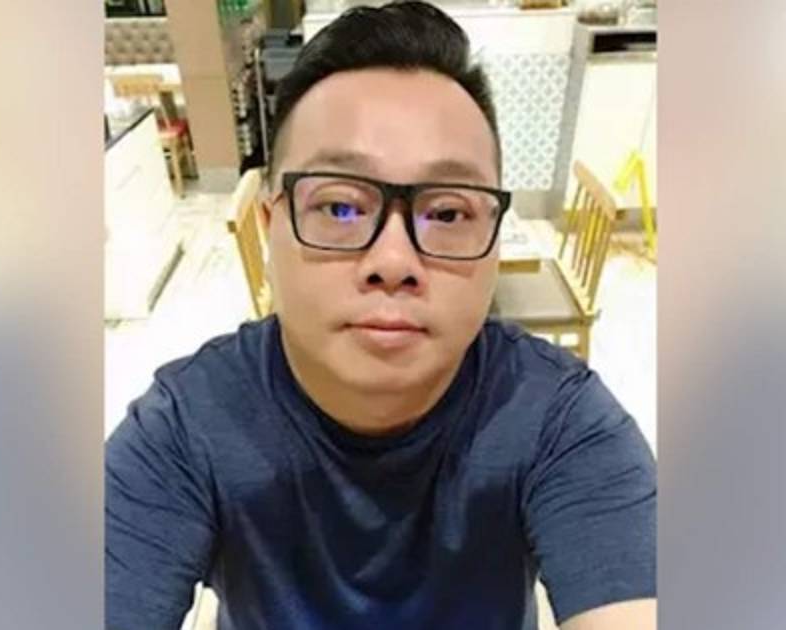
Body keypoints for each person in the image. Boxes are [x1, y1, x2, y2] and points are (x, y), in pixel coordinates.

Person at [105, 2, 656, 628]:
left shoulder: (559, 421)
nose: (393, 261)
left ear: (496, 240)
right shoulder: (186, 429)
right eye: (339, 207)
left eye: (447, 213)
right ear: (269, 226)